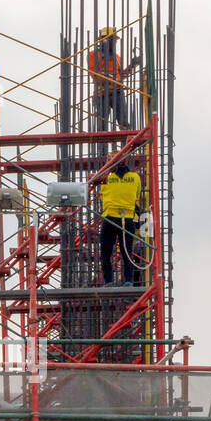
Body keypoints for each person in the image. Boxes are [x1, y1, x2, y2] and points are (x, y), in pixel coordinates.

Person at [99, 159, 144, 287]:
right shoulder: (135, 177)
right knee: (127, 251)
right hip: (127, 217)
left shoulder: (106, 177)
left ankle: (108, 281)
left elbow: (103, 195)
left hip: (109, 217)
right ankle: (128, 280)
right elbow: (137, 194)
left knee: (106, 252)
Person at [88, 27, 139, 130]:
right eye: (113, 40)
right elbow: (95, 75)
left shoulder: (116, 57)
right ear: (105, 40)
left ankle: (127, 140)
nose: (115, 43)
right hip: (101, 94)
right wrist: (111, 78)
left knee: (124, 124)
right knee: (102, 127)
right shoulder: (93, 55)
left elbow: (121, 76)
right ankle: (102, 144)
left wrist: (131, 66)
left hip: (117, 93)